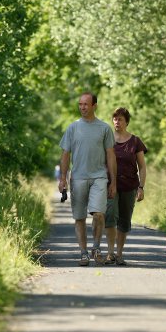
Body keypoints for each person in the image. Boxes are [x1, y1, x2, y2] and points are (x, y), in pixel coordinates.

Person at [58, 92, 117, 266]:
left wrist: (113, 181)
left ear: (94, 106)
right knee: (80, 217)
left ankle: (96, 248)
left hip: (99, 176)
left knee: (99, 214)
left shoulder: (104, 128)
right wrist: (63, 178)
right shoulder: (73, 128)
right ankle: (83, 253)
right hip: (78, 178)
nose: (82, 107)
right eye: (80, 104)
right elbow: (65, 154)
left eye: (86, 104)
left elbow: (111, 156)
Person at [104, 107, 147, 265]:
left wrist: (141, 187)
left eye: (120, 119)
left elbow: (142, 167)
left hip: (129, 185)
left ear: (126, 122)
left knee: (124, 220)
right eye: (115, 119)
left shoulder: (135, 141)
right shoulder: (107, 140)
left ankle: (120, 254)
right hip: (110, 185)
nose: (117, 122)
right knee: (110, 216)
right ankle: (110, 252)